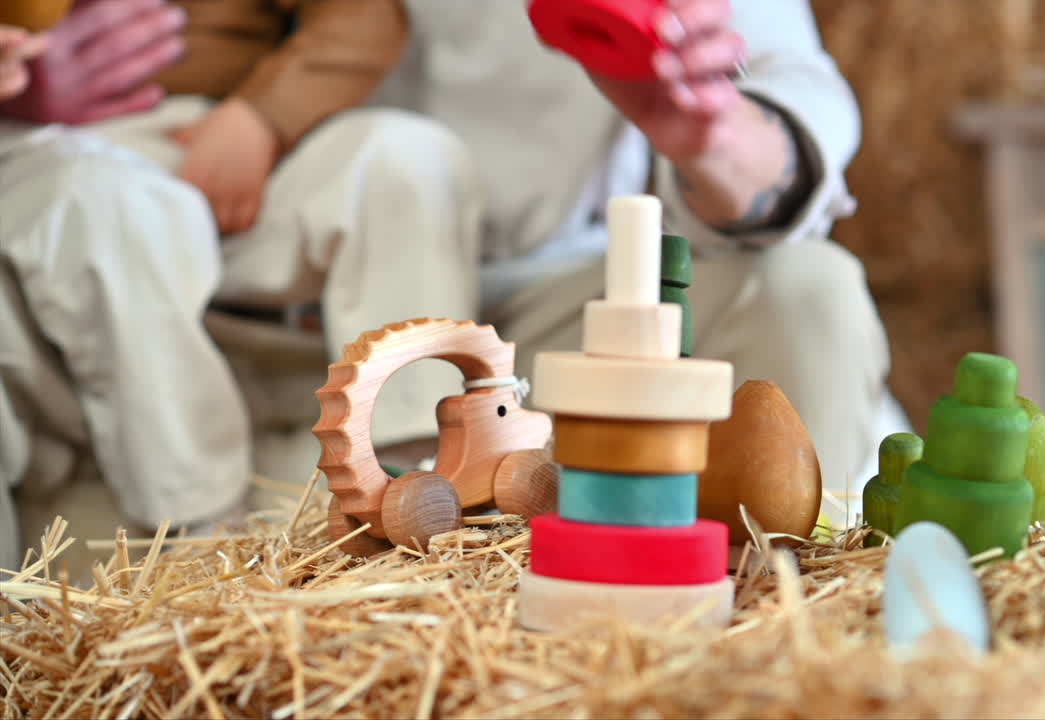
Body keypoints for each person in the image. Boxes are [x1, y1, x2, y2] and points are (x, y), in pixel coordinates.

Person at [0, 0, 894, 573]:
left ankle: (790, 606)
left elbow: (789, 102)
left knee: (806, 287)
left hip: (536, 316)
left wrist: (711, 135)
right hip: (216, 307)